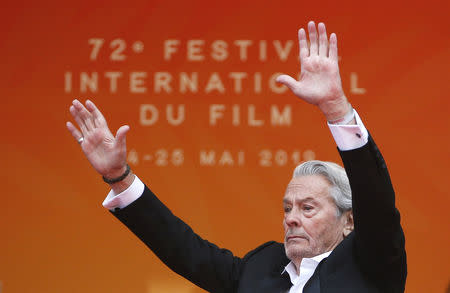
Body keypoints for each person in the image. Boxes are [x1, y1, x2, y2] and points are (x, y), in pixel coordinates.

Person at [66, 21, 407, 293]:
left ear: (348, 221)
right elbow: (184, 250)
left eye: (307, 208)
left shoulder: (371, 262)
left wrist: (336, 109)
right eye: (287, 208)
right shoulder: (261, 268)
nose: (290, 219)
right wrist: (118, 175)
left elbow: (375, 199)